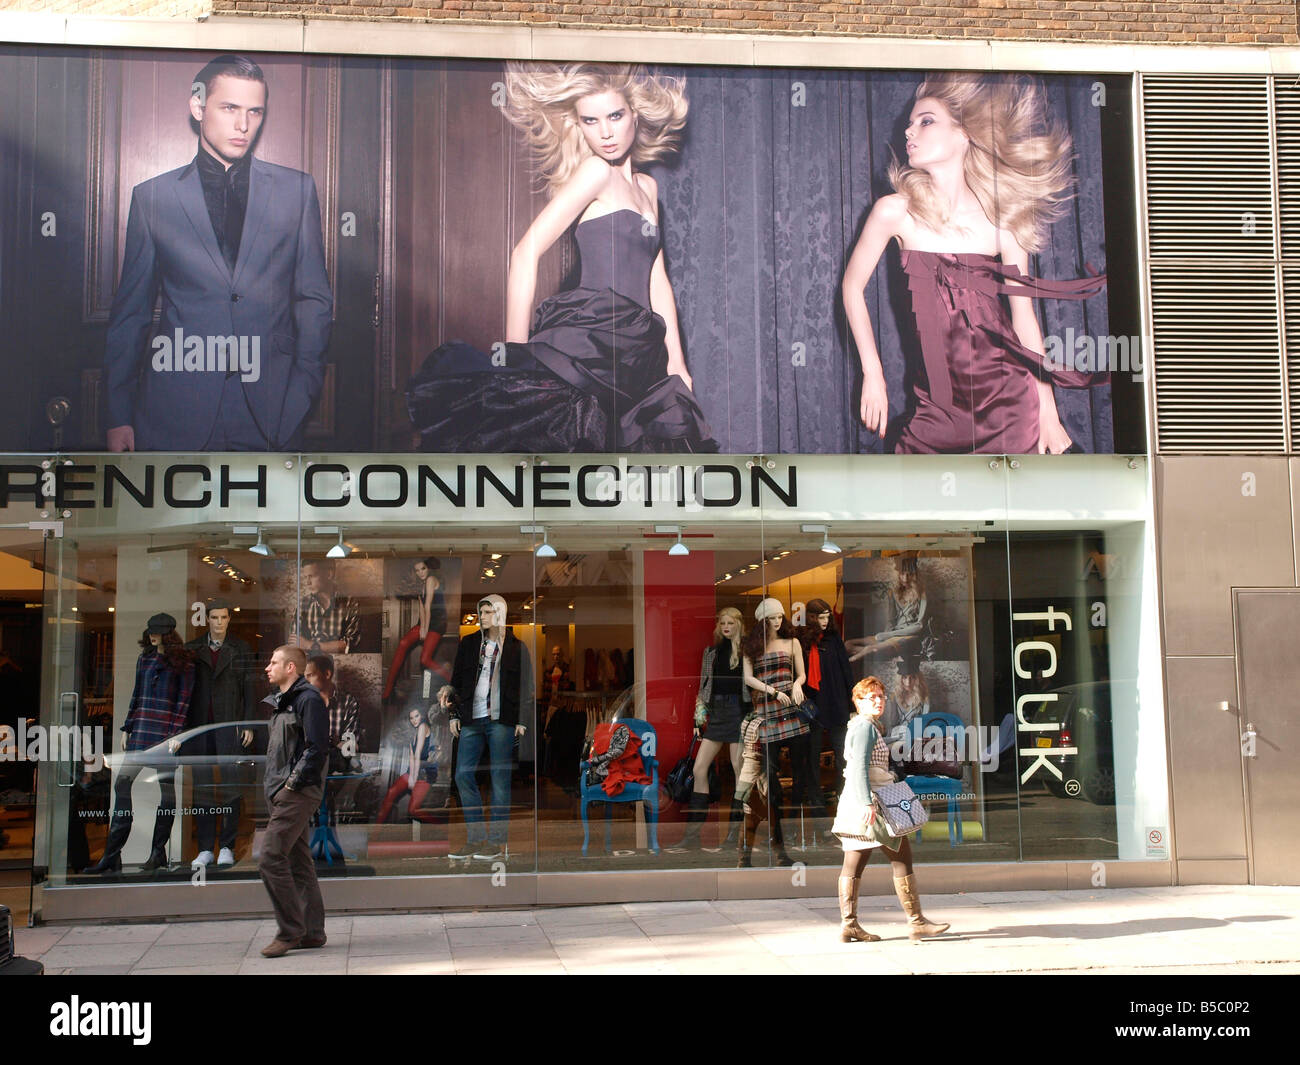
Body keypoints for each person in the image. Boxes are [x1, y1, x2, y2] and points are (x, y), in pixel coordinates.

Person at [405, 62, 716, 453]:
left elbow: (658, 279)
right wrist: (512, 358)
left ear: (634, 115)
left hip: (641, 353)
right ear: (579, 125)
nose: (605, 132)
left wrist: (677, 364)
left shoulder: (647, 188)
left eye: (615, 116)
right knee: (574, 461)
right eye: (591, 120)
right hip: (593, 343)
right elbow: (525, 252)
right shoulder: (594, 173)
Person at [841, 73, 1106, 456]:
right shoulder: (895, 212)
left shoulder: (1003, 221)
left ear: (964, 133)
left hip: (1009, 406)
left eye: (926, 121)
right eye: (910, 124)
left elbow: (1024, 321)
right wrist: (873, 374)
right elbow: (851, 288)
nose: (909, 132)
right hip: (935, 410)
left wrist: (1048, 412)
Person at [103, 54, 332, 452]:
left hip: (273, 414)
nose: (243, 125)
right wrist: (118, 414)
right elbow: (132, 313)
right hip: (175, 413)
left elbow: (313, 299)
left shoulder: (296, 191)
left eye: (254, 112)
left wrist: (303, 391)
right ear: (198, 106)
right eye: (230, 108)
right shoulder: (153, 197)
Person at [832, 676, 950, 943]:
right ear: (858, 701)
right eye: (870, 697)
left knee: (854, 862)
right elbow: (860, 766)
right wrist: (866, 803)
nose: (878, 701)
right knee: (901, 858)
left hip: (857, 802)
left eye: (881, 696)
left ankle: (849, 925)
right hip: (873, 803)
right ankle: (916, 921)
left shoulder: (860, 725)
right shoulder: (864, 727)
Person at [438, 594, 534, 862]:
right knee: (463, 775)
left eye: (489, 612)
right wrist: (454, 714)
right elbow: (456, 681)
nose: (483, 616)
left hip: (502, 720)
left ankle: (496, 843)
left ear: (500, 614)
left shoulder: (516, 647)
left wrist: (522, 720)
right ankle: (475, 839)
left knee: (500, 781)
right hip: (471, 718)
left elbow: (526, 684)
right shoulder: (469, 644)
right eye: (481, 612)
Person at [257, 644, 328, 958]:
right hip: (281, 792)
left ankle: (290, 931)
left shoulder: (308, 700)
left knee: (270, 857)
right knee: (299, 863)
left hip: (296, 792)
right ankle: (312, 932)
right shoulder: (282, 703)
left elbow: (317, 749)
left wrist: (290, 787)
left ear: (290, 669)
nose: (267, 667)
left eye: (273, 662)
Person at [738, 597, 811, 866]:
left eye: (780, 616)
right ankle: (776, 843)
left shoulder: (792, 642)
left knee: (801, 778)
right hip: (767, 713)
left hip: (791, 711)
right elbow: (748, 678)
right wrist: (773, 691)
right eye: (772, 618)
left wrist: (797, 685)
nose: (778, 621)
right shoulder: (751, 647)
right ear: (762, 621)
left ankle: (789, 839)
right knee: (771, 783)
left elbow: (802, 673)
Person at [185, 599, 256, 870]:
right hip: (200, 726)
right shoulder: (193, 649)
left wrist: (247, 723)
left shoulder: (241, 649)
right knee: (202, 788)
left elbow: (249, 688)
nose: (218, 622)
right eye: (214, 617)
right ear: (207, 619)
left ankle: (226, 845)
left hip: (229, 724)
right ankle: (205, 847)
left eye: (223, 617)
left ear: (229, 619)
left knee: (231, 787)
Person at [679, 607, 748, 850]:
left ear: (739, 624)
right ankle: (692, 836)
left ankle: (734, 837)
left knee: (739, 769)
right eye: (722, 623)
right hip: (717, 712)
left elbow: (753, 687)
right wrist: (699, 719)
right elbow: (703, 687)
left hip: (739, 713)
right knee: (699, 768)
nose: (726, 627)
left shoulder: (746, 651)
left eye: (730, 623)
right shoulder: (711, 653)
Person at [798, 597, 853, 827]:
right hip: (813, 707)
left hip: (837, 704)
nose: (824, 621)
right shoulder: (802, 641)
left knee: (843, 757)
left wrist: (852, 706)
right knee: (812, 759)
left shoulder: (833, 640)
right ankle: (818, 807)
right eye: (820, 617)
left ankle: (844, 801)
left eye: (826, 617)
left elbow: (846, 671)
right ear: (810, 617)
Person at [383, 558, 448, 700]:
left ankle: (452, 680)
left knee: (425, 660)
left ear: (428, 568)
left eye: (423, 569)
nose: (420, 573)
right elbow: (421, 609)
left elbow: (428, 606)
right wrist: (422, 627)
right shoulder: (420, 585)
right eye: (417, 570)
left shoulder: (431, 579)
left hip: (437, 622)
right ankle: (387, 691)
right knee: (403, 643)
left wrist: (424, 629)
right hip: (425, 621)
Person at [847, 555, 927, 663]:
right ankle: (877, 652)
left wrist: (888, 635)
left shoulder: (921, 594)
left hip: (909, 636)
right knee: (848, 644)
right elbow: (891, 620)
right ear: (898, 574)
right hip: (892, 633)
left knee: (870, 649)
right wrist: (886, 635)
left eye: (910, 574)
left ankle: (869, 653)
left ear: (915, 575)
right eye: (902, 573)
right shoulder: (894, 593)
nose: (905, 578)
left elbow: (919, 626)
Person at [376, 708, 437, 824]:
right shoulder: (412, 732)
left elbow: (418, 753)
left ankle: (441, 829)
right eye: (411, 718)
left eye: (416, 716)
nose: (414, 720)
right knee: (391, 792)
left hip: (425, 774)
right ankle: (376, 829)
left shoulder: (423, 726)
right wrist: (411, 776)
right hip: (413, 771)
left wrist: (413, 778)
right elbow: (411, 757)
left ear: (422, 716)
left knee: (413, 810)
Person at [293, 560, 361, 656]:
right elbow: (295, 643)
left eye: (312, 576)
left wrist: (310, 645)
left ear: (329, 574)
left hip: (343, 664)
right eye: (306, 577)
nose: (307, 583)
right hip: (310, 665)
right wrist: (334, 646)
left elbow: (352, 644)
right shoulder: (303, 604)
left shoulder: (349, 603)